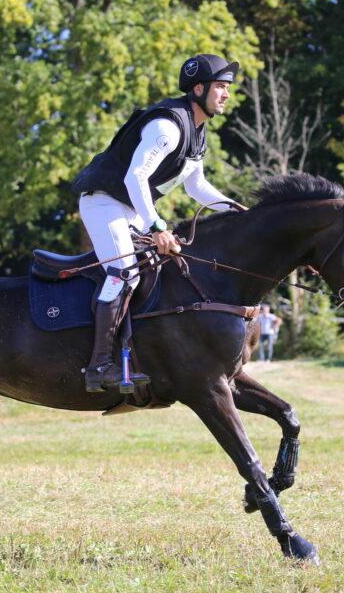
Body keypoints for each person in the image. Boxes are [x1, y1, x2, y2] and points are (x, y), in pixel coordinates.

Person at [70, 54, 242, 392]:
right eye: (220, 87)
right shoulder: (168, 126)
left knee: (158, 270)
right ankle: (100, 365)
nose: (226, 95)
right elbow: (136, 177)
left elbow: (196, 186)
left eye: (227, 88)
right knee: (124, 271)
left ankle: (137, 353)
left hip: (128, 210)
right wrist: (157, 227)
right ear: (198, 89)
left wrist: (240, 211)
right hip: (104, 202)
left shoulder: (198, 132)